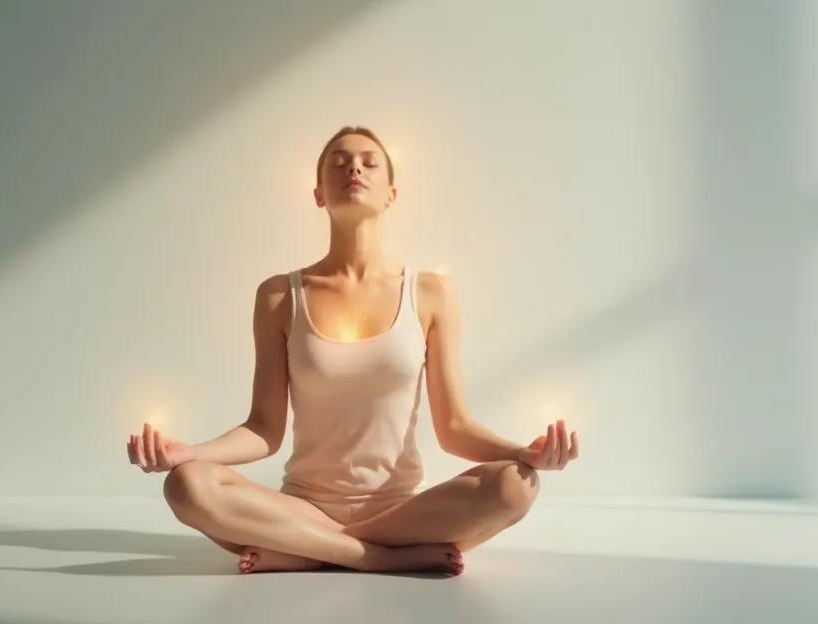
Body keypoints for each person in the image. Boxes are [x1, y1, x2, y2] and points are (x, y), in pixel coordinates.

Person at [125, 126, 579, 575]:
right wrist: (189, 452)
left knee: (515, 486)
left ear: (391, 194)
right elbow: (264, 429)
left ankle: (308, 551)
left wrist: (525, 453)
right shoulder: (279, 296)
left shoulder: (431, 292)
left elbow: (454, 429)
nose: (355, 169)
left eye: (369, 162)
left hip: (405, 513)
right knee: (187, 484)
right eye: (339, 164)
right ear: (319, 194)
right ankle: (376, 557)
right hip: (302, 508)